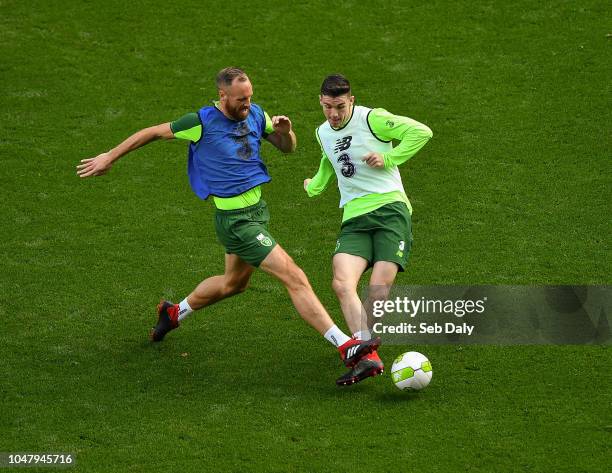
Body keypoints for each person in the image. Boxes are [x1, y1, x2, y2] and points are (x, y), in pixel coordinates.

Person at [76, 67, 380, 382]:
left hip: (257, 212)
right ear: (223, 96)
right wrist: (109, 156)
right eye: (240, 99)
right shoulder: (201, 122)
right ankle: (346, 346)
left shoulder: (255, 114)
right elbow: (151, 132)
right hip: (236, 222)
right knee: (295, 277)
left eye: (249, 97)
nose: (247, 103)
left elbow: (287, 148)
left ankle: (172, 312)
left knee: (233, 284)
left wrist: (286, 131)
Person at [304, 74, 433, 385]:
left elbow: (421, 132)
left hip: (391, 211)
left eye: (339, 106)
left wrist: (389, 157)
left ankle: (365, 349)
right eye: (326, 107)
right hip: (355, 218)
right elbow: (329, 160)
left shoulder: (373, 119)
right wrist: (315, 186)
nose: (333, 114)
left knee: (377, 289)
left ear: (351, 100)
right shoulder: (322, 132)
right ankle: (368, 355)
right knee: (341, 282)